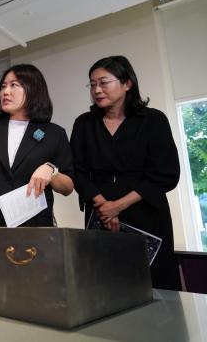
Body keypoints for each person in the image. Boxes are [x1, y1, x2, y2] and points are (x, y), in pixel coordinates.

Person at [70, 55, 181, 290]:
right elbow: (77, 171)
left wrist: (118, 206)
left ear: (127, 83)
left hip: (145, 212)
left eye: (103, 82)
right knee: (104, 284)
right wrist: (104, 207)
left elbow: (166, 173)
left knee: (155, 285)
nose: (96, 89)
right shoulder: (84, 123)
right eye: (92, 84)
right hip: (99, 214)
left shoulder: (153, 120)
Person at [0, 64, 74, 271]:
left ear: (33, 89)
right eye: (3, 86)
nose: (5, 92)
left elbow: (68, 187)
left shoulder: (54, 133)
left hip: (34, 225)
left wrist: (51, 170)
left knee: (31, 289)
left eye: (14, 85)